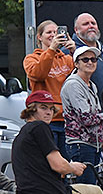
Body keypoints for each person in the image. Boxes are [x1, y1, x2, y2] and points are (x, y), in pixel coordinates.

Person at [60, 44, 103, 185]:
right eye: (85, 60)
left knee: (93, 189)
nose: (90, 62)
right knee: (86, 190)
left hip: (93, 145)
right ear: (76, 63)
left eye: (93, 59)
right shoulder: (73, 85)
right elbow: (86, 119)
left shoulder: (91, 85)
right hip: (81, 145)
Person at [24, 20, 76, 153]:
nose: (53, 35)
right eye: (49, 32)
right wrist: (52, 49)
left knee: (66, 163)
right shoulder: (31, 59)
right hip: (45, 120)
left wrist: (74, 52)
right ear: (39, 37)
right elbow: (38, 74)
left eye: (56, 32)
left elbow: (81, 80)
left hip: (67, 120)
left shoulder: (67, 59)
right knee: (49, 162)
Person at [72, 13, 103, 90]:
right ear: (76, 30)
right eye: (85, 24)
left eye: (93, 23)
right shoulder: (69, 51)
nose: (91, 26)